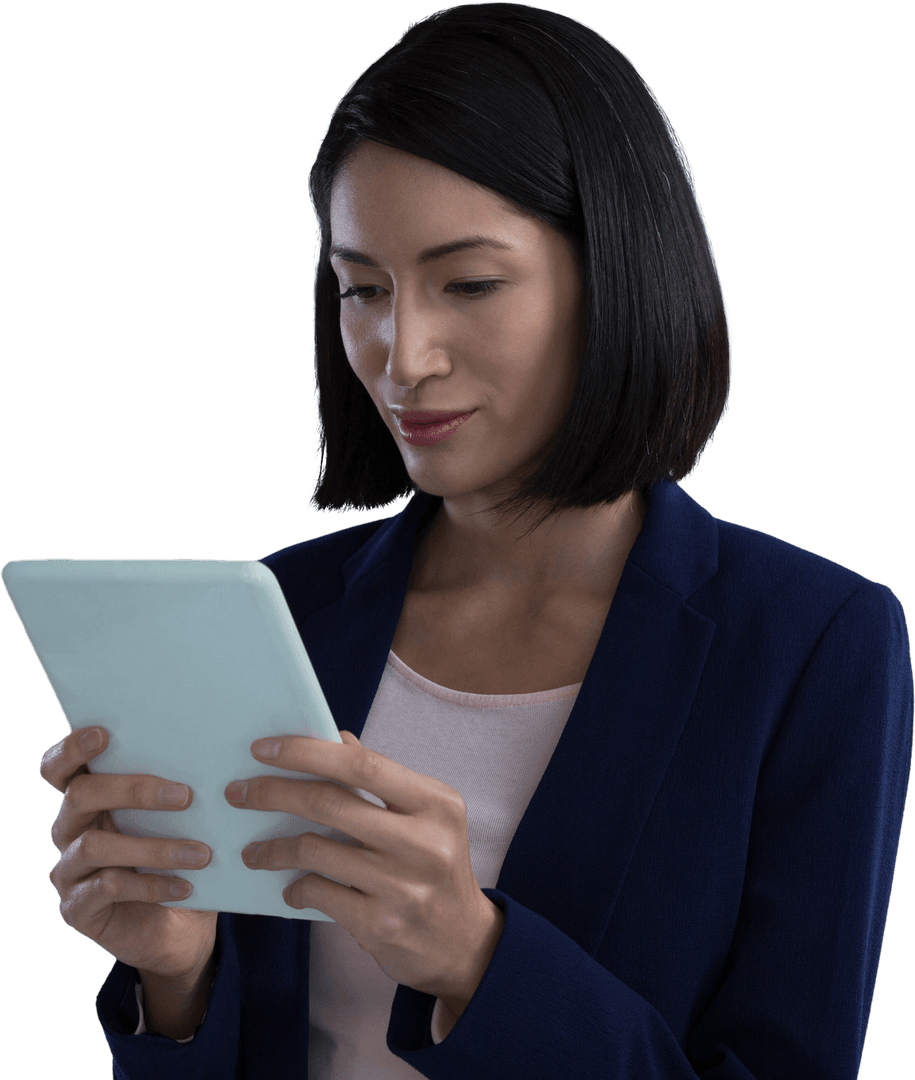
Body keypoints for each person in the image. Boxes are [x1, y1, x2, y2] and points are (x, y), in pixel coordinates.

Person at [41, 4, 912, 1077]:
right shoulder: (282, 614)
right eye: (363, 289)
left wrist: (476, 957)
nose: (402, 357)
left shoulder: (811, 643)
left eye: (470, 284)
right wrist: (175, 980)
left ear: (617, 276)